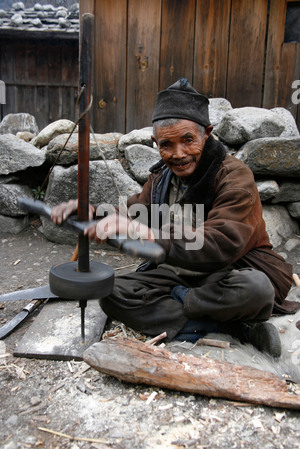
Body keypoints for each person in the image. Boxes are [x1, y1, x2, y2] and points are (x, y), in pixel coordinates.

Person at [51, 78, 297, 357]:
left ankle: (186, 312)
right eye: (167, 144)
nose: (178, 154)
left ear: (207, 133)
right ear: (156, 143)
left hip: (228, 272)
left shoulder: (235, 176)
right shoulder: (160, 180)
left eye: (188, 140)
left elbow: (220, 243)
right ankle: (234, 328)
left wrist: (150, 235)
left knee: (256, 290)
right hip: (178, 274)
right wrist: (93, 213)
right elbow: (133, 212)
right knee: (111, 292)